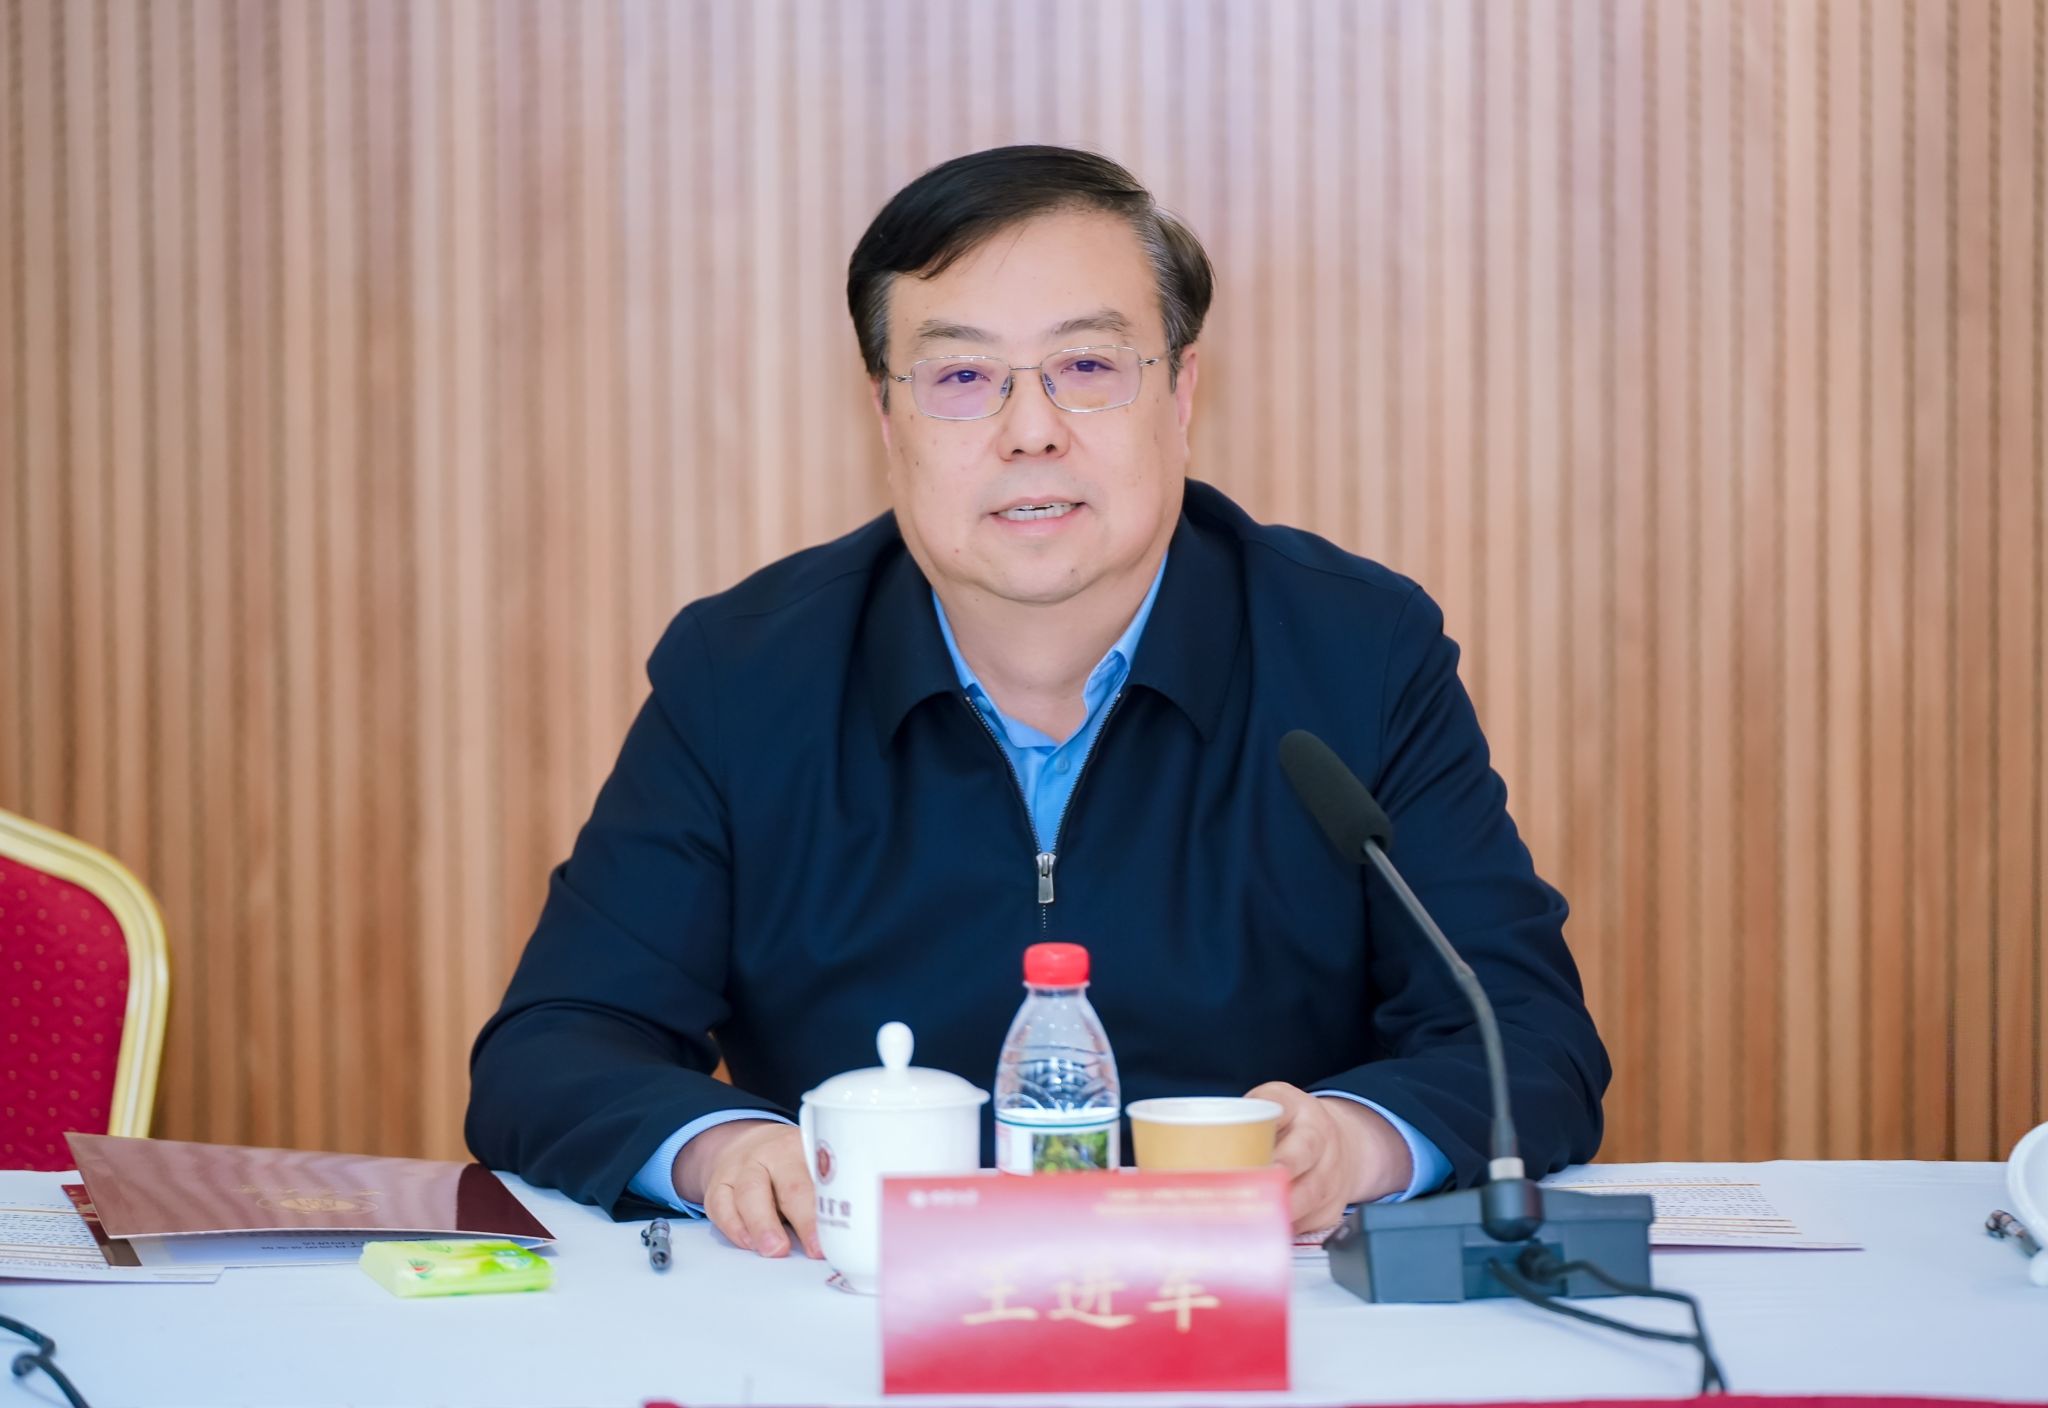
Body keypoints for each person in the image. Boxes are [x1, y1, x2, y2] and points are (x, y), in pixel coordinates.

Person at [465, 145, 1608, 1261]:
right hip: (850, 1319)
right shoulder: (746, 673)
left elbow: (1522, 1032)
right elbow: (555, 1046)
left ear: (1182, 392)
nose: (1030, 430)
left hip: (1260, 1308)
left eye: (1088, 366)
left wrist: (1350, 1145)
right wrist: (729, 1151)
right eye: (962, 378)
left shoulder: (1355, 652)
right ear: (887, 420)